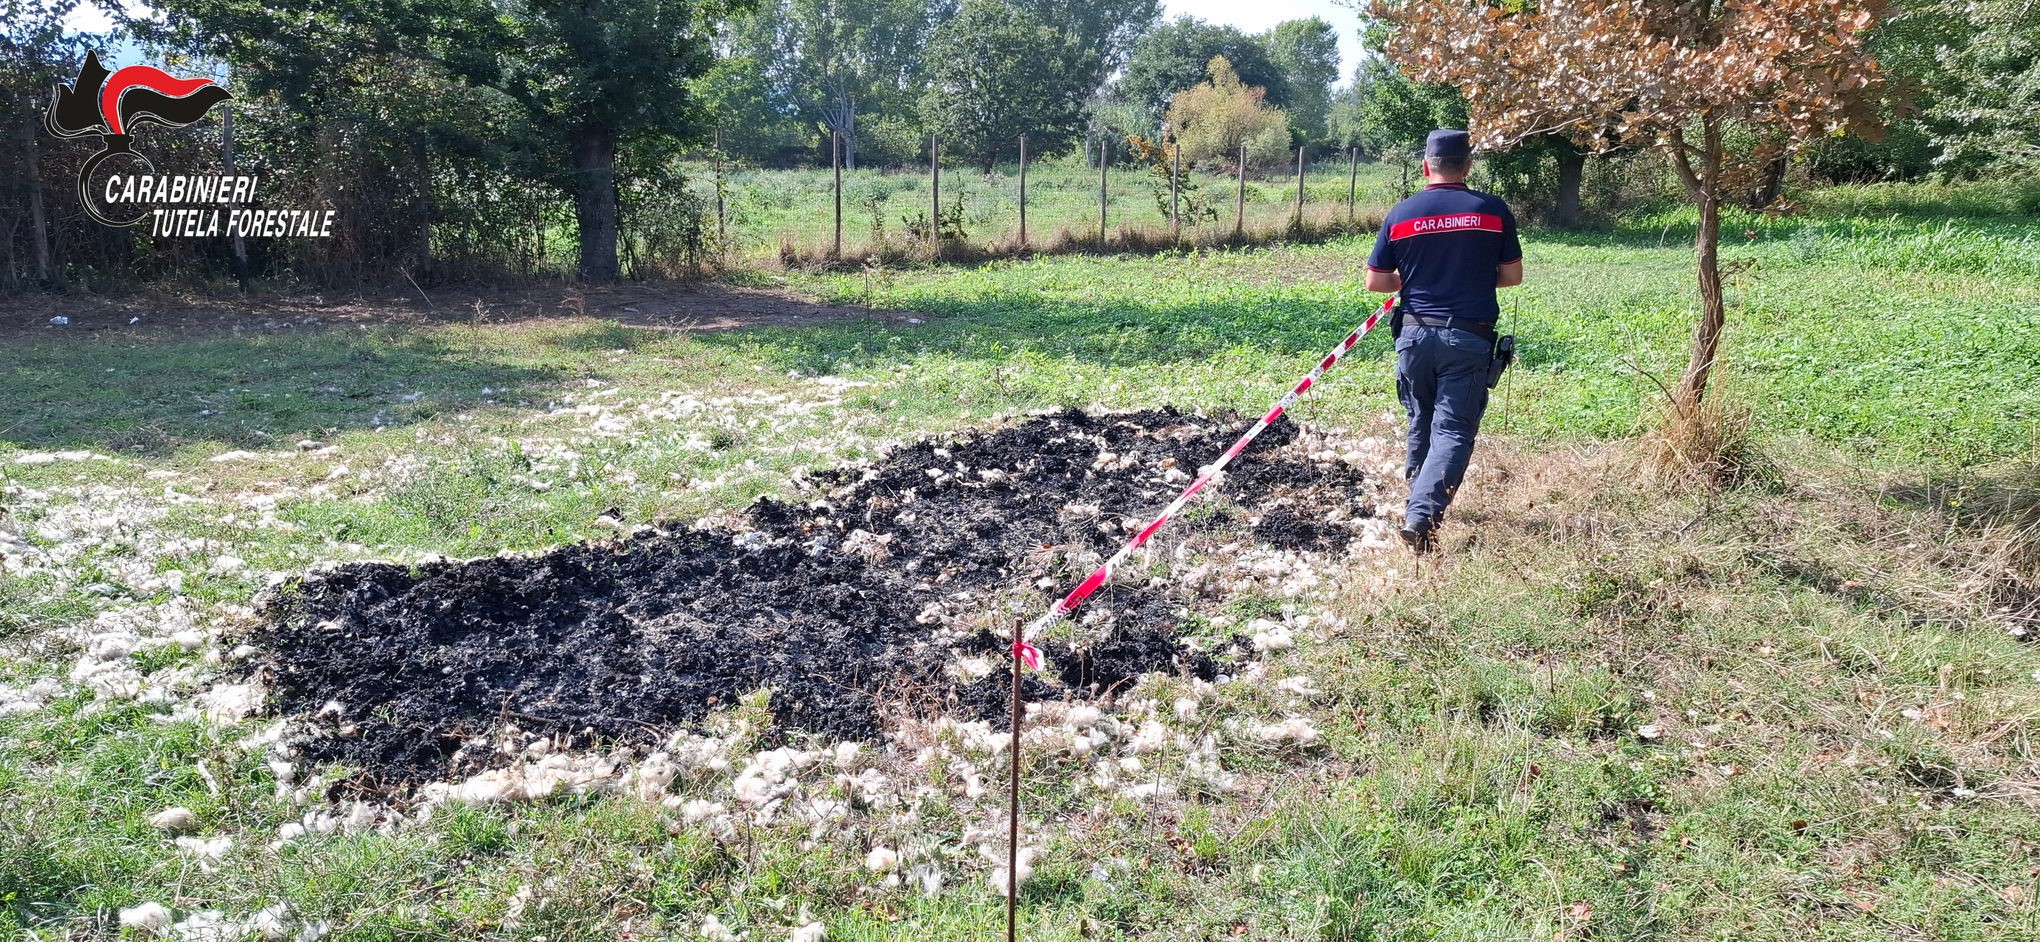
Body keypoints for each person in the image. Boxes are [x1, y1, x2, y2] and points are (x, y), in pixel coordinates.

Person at [1363, 129, 1524, 552]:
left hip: (1414, 335)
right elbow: (1512, 276)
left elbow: (1376, 281)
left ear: (1425, 167)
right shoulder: (1491, 211)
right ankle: (1421, 517)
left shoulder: (1402, 213)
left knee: (1420, 418)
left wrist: (1417, 281)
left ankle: (1416, 498)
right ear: (1468, 166)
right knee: (1452, 429)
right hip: (1467, 337)